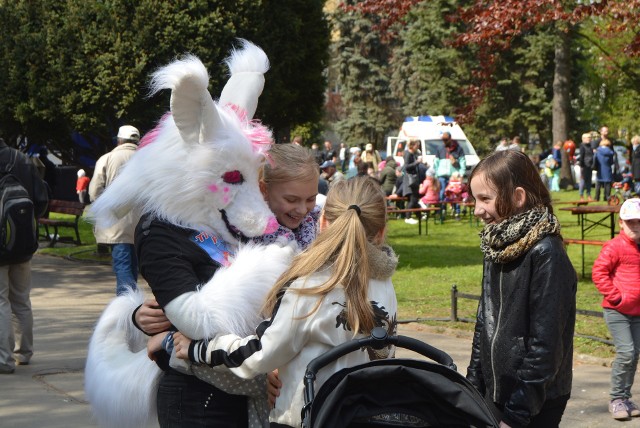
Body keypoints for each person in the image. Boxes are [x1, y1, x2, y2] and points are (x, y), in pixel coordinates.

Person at [169, 176, 398, 428]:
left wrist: (198, 349)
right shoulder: (385, 286)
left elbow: (260, 354)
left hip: (311, 416)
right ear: (381, 232)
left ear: (322, 222)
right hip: (367, 416)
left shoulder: (310, 285)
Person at [466, 149, 576, 427]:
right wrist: (471, 390)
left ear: (517, 197)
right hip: (497, 391)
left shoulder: (547, 252)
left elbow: (547, 345)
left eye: (485, 199)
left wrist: (516, 415)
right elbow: (484, 325)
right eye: (474, 199)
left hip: (535, 399)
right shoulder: (495, 246)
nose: (477, 209)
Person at [0, 138, 49, 374]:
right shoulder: (21, 159)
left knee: (1, 301)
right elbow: (41, 199)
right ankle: (24, 353)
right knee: (21, 299)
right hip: (23, 242)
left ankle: (3, 360)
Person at [592, 198, 640, 420]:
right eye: (631, 222)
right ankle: (616, 398)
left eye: (639, 222)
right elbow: (599, 273)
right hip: (617, 311)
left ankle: (626, 397)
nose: (636, 227)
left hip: (638, 312)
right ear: (621, 223)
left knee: (634, 355)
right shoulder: (615, 246)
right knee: (627, 352)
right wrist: (617, 297)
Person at [88, 125, 141, 296]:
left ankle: (127, 305)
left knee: (123, 265)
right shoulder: (146, 158)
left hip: (117, 222)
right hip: (142, 223)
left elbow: (95, 190)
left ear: (119, 140)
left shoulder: (107, 158)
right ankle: (134, 301)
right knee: (134, 265)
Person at [434, 131, 466, 202]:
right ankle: (442, 209)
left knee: (455, 193)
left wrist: (461, 174)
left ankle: (456, 211)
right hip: (442, 175)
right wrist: (436, 174)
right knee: (442, 192)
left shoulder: (458, 148)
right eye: (443, 140)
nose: (444, 141)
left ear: (450, 138)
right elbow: (436, 162)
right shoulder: (440, 148)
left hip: (454, 175)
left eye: (446, 139)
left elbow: (463, 162)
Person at [401, 139, 422, 224]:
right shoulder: (408, 154)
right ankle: (408, 217)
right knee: (413, 199)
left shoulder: (412, 154)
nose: (418, 147)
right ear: (412, 146)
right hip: (410, 180)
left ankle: (418, 215)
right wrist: (417, 162)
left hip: (412, 179)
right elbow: (406, 167)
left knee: (413, 199)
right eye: (417, 145)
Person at [578, 132, 595, 201]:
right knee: (582, 181)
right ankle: (581, 196)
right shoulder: (582, 146)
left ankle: (589, 195)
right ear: (583, 139)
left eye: (590, 138)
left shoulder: (590, 146)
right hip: (584, 166)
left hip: (589, 166)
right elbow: (581, 157)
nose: (589, 139)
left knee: (589, 181)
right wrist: (582, 166)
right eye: (588, 138)